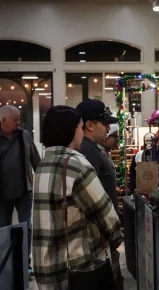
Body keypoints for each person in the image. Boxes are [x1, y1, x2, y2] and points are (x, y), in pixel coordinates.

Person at [32, 106, 122, 290]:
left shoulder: (43, 164)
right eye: (79, 127)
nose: (81, 132)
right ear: (70, 131)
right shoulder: (76, 164)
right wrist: (115, 238)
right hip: (79, 267)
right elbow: (105, 214)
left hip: (47, 266)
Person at [0, 105, 41, 276]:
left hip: (25, 190)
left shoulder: (24, 135)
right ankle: (6, 264)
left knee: (26, 227)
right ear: (2, 121)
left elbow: (35, 160)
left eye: (19, 119)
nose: (19, 122)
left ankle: (25, 263)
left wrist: (41, 180)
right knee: (3, 228)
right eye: (15, 120)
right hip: (2, 194)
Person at [76, 99, 119, 214]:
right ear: (90, 125)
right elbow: (90, 197)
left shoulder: (91, 148)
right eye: (105, 123)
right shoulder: (87, 150)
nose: (108, 128)